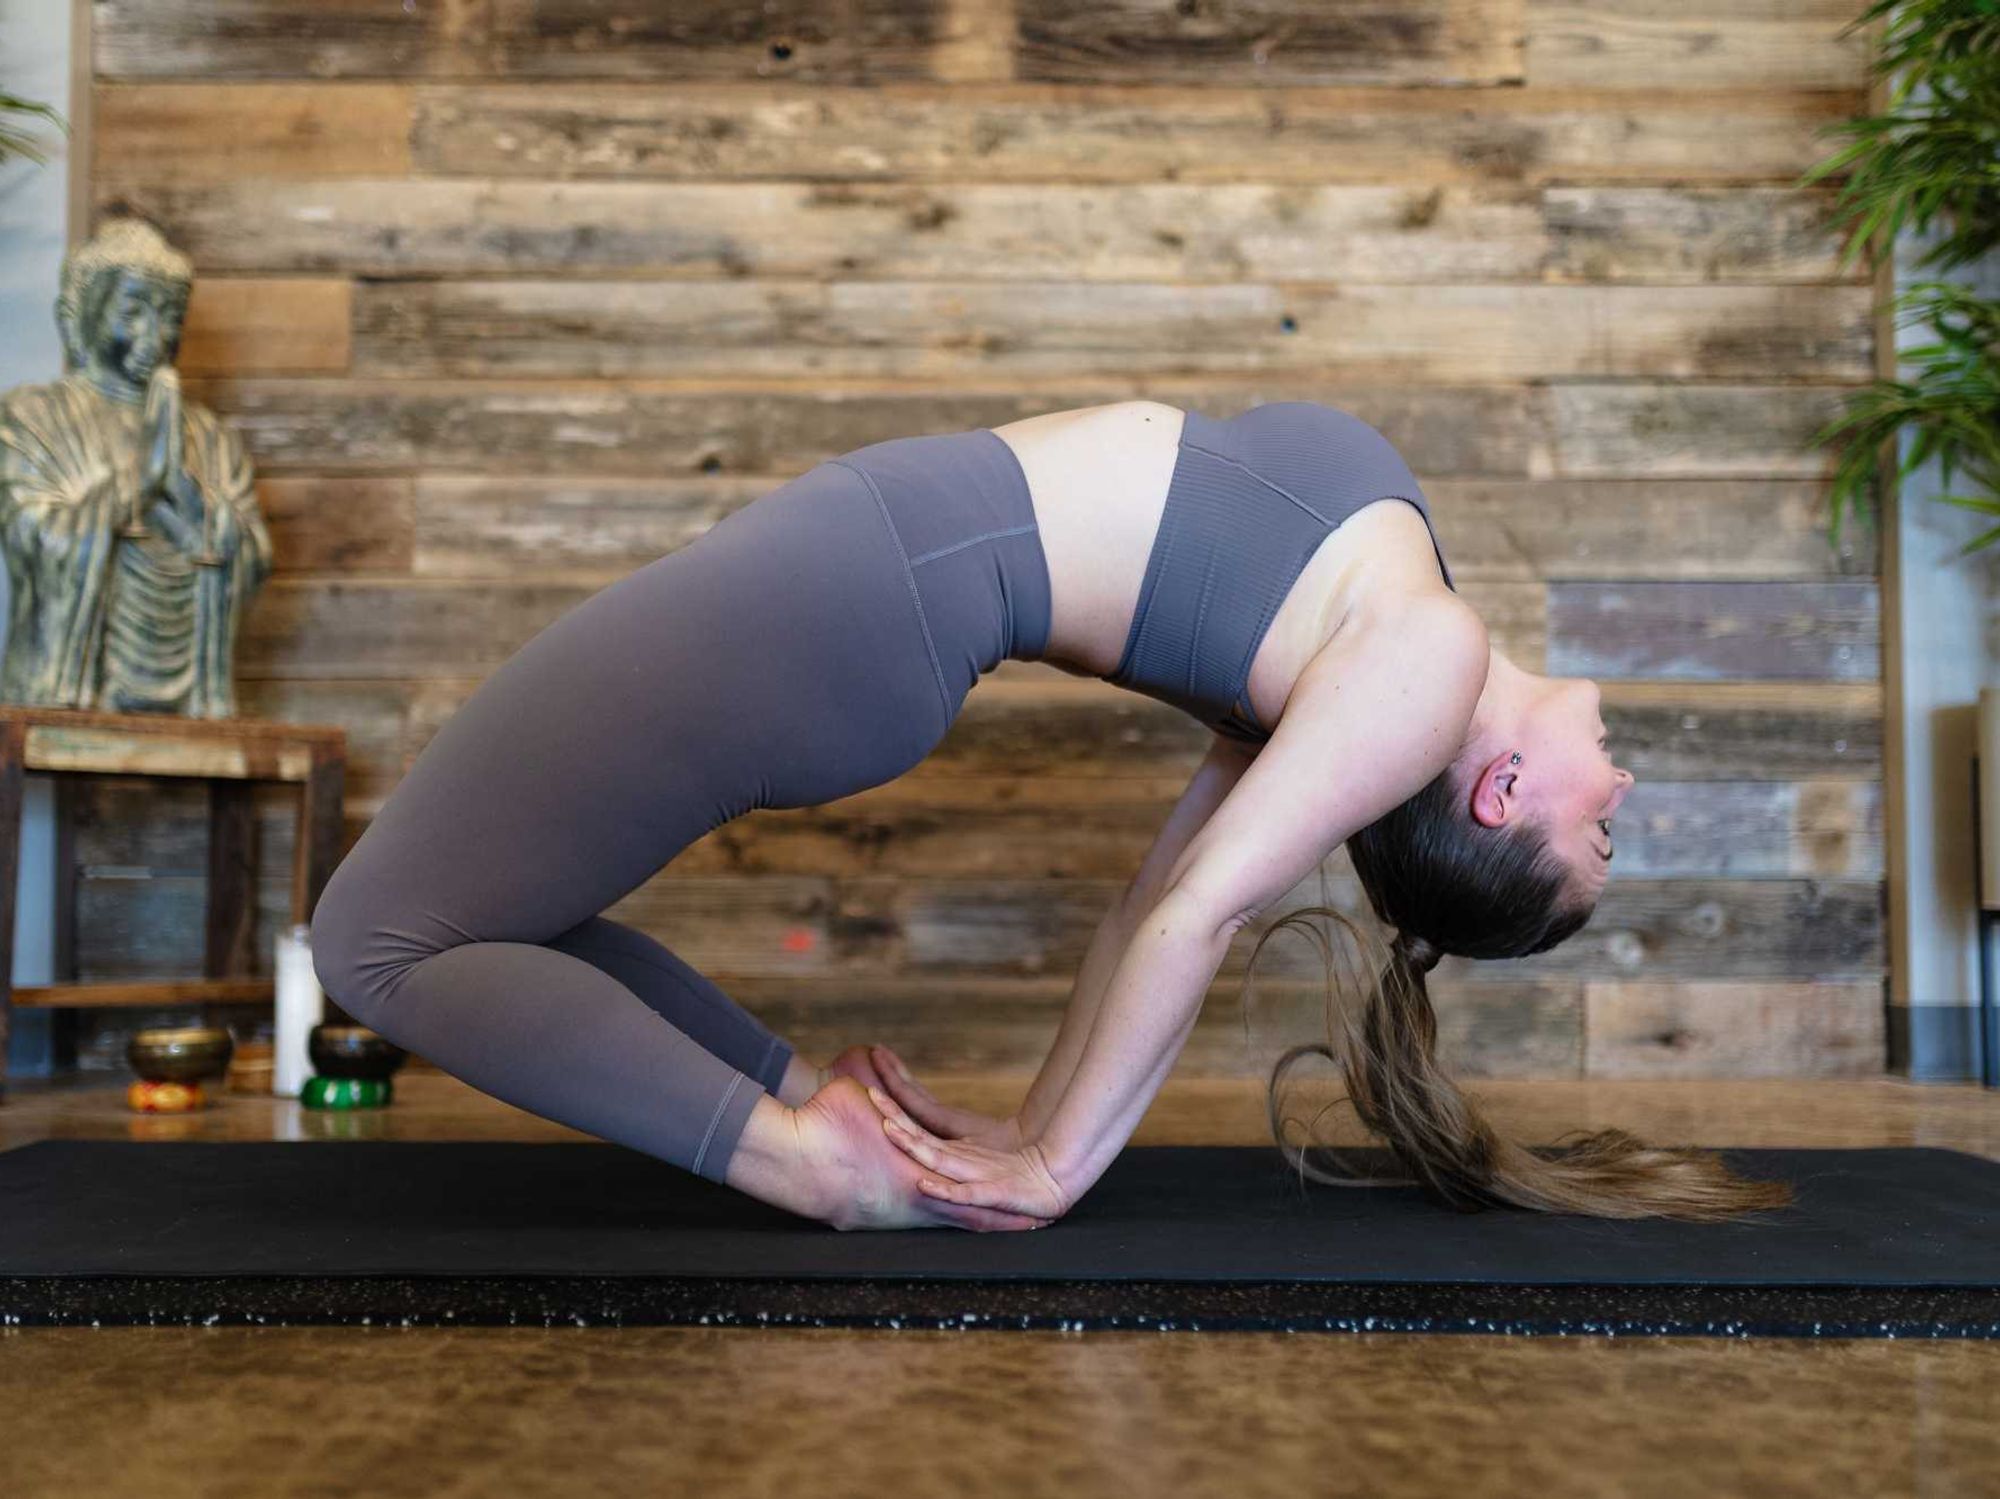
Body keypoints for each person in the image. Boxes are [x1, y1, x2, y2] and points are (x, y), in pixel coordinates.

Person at [310, 399, 1792, 1234]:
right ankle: (826, 1117)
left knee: (372, 940)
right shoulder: (1385, 653)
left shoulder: (1424, 662)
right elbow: (1156, 903)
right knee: (483, 917)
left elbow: (1196, 915)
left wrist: (1053, 1169)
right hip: (866, 593)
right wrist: (1023, 1125)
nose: (1630, 801)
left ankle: (805, 1162)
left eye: (1604, 841)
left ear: (1503, 795)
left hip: (865, 593)